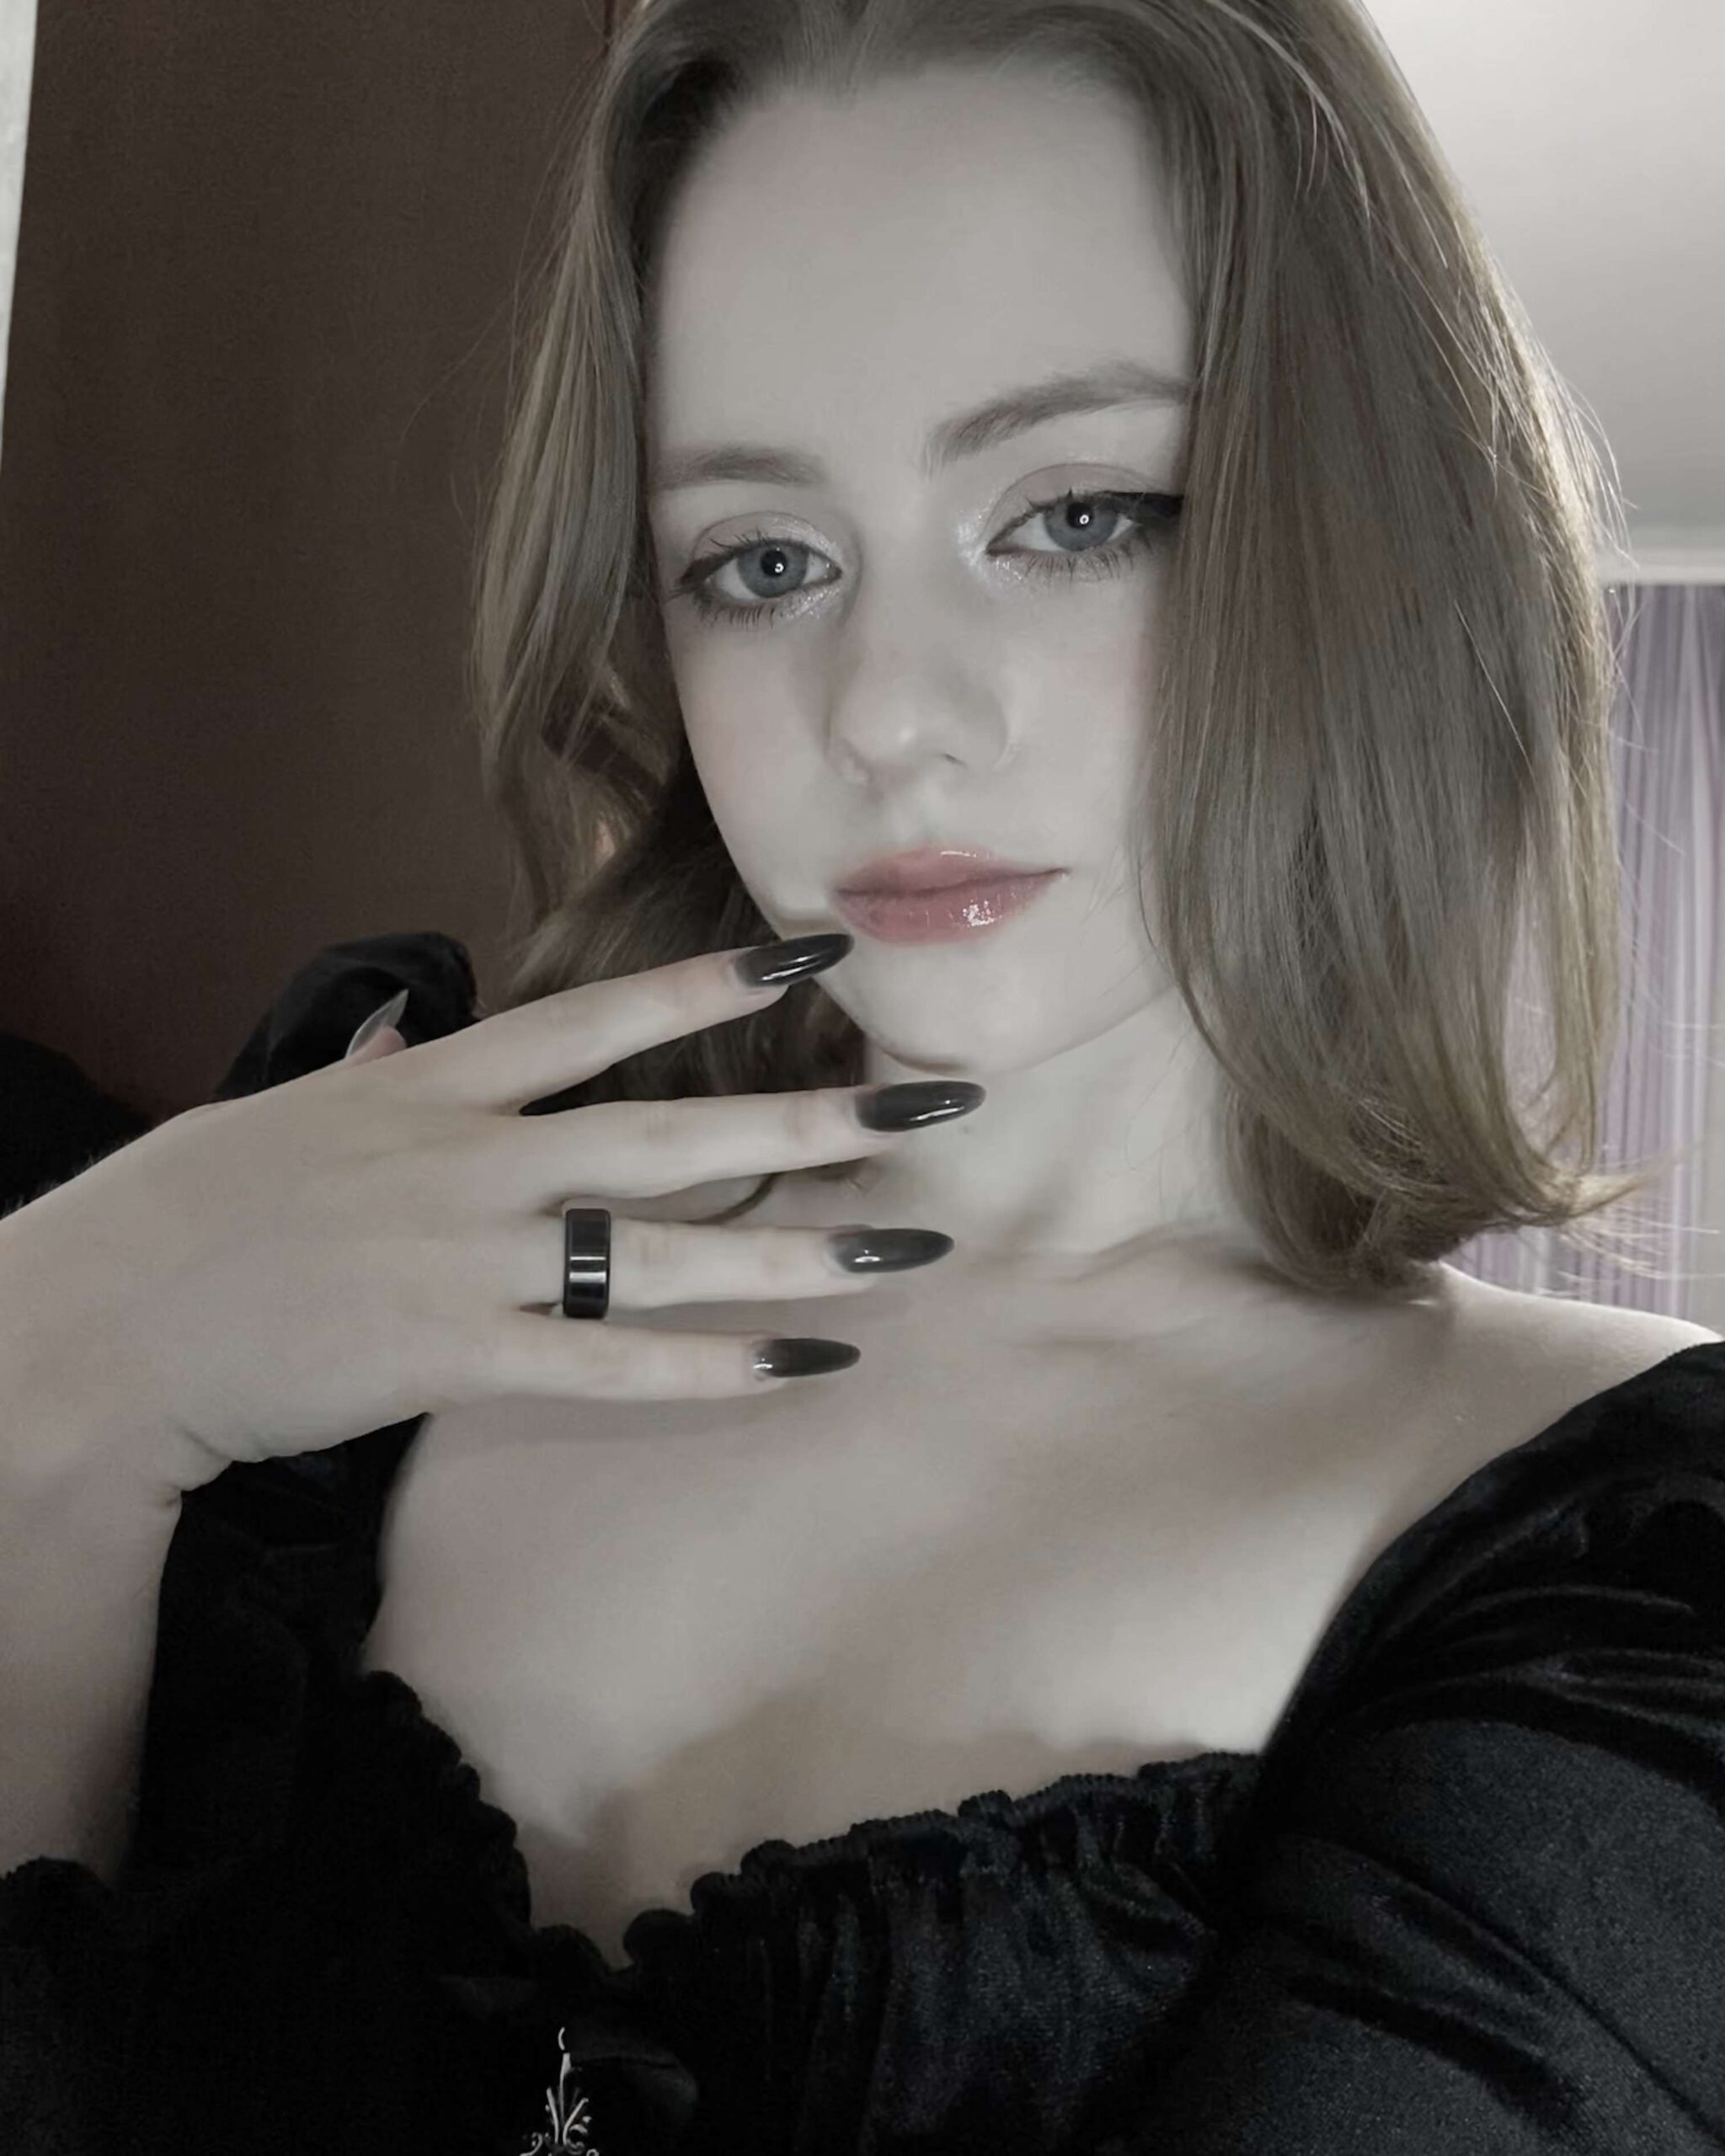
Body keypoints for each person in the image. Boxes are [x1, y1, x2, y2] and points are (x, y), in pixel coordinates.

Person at [3, 1, 1723, 2151]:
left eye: (1076, 512)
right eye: (764, 561)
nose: (888, 711)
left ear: (1376, 530)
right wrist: (61, 1368)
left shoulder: (1623, 1564)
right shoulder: (318, 1249)